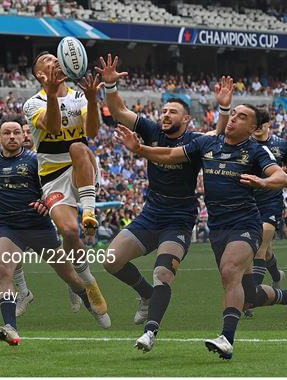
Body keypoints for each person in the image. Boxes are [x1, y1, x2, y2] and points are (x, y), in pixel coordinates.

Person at [115, 103, 287, 360]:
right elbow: (171, 155)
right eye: (234, 114)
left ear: (252, 127)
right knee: (249, 295)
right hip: (218, 227)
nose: (233, 120)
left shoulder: (255, 150)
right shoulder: (208, 144)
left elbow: (282, 178)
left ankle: (227, 339)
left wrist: (262, 181)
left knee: (230, 271)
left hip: (245, 223)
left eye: (242, 117)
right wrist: (140, 148)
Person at [96, 54, 235, 353]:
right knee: (110, 260)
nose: (165, 115)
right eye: (164, 110)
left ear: (186, 119)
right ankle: (145, 295)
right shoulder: (151, 130)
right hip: (152, 213)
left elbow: (219, 132)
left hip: (179, 218)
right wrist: (109, 86)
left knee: (163, 272)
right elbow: (118, 111)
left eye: (172, 112)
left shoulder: (197, 140)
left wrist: (224, 107)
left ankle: (150, 332)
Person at [0, 114, 110, 346]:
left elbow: (51, 186)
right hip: (10, 228)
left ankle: (92, 304)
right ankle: (11, 327)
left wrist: (45, 202)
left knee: (69, 277)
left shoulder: (36, 160)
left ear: (23, 136)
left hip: (39, 227)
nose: (12, 136)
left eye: (16, 133)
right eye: (6, 133)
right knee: (3, 269)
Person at [23, 51, 107, 314]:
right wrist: (50, 94)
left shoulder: (78, 96)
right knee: (69, 232)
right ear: (40, 74)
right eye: (47, 61)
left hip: (81, 165)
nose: (54, 61)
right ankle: (83, 281)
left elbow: (92, 132)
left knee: (78, 148)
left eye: (55, 58)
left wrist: (93, 100)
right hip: (51, 175)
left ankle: (90, 212)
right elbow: (54, 128)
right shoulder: (32, 104)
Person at [245, 109, 287, 293]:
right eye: (254, 124)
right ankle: (276, 276)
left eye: (261, 123)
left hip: (270, 202)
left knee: (259, 248)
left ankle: (252, 296)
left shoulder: (281, 145)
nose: (257, 127)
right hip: (248, 202)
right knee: (266, 250)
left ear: (268, 124)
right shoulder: (244, 145)